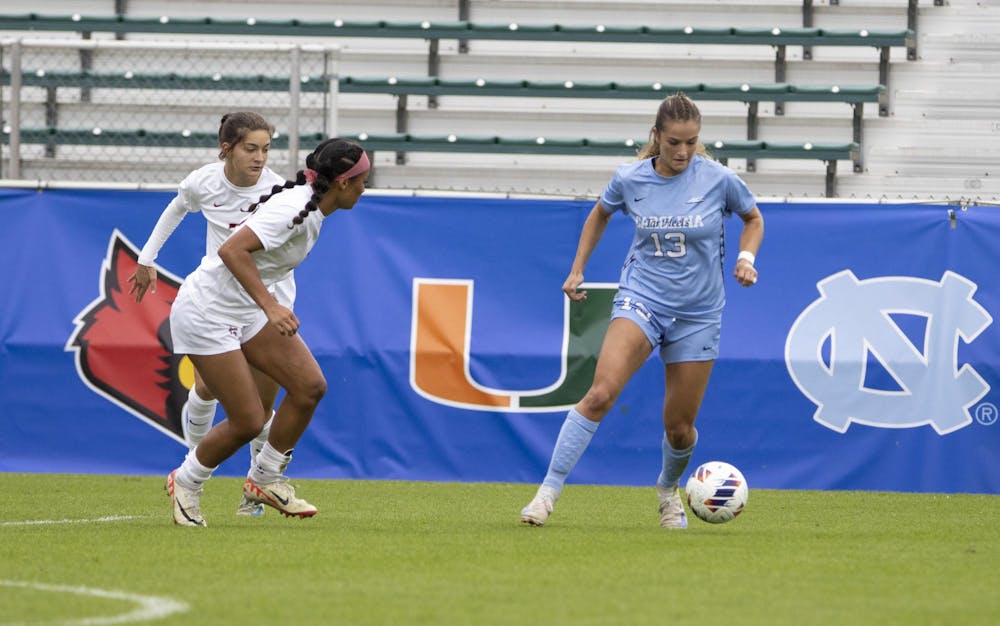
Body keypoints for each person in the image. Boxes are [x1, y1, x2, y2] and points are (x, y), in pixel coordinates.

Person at [519, 92, 764, 529]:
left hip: (699, 313)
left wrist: (746, 259)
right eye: (674, 142)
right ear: (656, 136)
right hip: (642, 298)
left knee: (680, 429)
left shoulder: (719, 179)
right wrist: (577, 269)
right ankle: (547, 493)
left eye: (691, 142)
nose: (683, 151)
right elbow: (600, 213)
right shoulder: (630, 178)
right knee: (600, 393)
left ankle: (668, 492)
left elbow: (753, 218)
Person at [164, 138, 371, 526]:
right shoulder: (296, 208)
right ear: (342, 183)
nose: (364, 188)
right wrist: (271, 306)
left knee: (310, 387)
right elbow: (231, 251)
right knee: (248, 421)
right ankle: (186, 482)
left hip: (243, 311)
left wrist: (266, 305)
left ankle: (264, 481)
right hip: (207, 312)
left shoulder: (309, 209)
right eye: (362, 181)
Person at [128, 111, 290, 517]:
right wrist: (147, 258)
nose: (260, 158)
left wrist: (276, 303)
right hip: (218, 301)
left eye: (266, 149)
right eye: (251, 148)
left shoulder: (278, 191)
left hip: (269, 302)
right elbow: (176, 209)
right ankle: (195, 463)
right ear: (227, 150)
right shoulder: (204, 181)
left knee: (264, 405)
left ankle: (254, 496)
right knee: (209, 390)